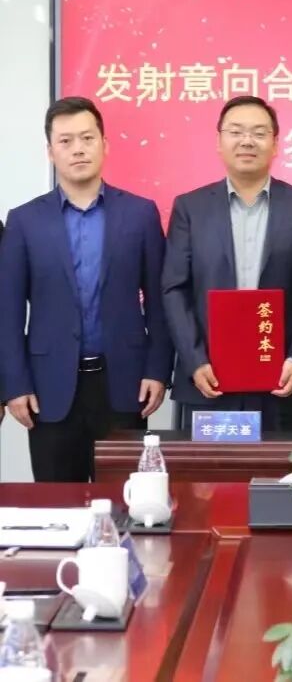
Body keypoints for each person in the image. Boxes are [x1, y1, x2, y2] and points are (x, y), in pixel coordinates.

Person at [0, 97, 172, 481]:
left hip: (124, 382)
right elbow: (8, 312)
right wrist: (15, 384)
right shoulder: (24, 221)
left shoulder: (140, 214)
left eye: (87, 138)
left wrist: (158, 370)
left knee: (128, 501)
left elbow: (160, 302)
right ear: (50, 151)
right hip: (48, 387)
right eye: (65, 141)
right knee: (57, 505)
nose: (78, 149)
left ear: (104, 145)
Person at [162, 95, 292, 432]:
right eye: (236, 131)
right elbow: (173, 289)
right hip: (209, 379)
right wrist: (195, 360)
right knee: (209, 470)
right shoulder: (190, 208)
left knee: (284, 468)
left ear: (275, 144)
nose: (247, 141)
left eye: (258, 132)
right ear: (219, 141)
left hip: (284, 381)